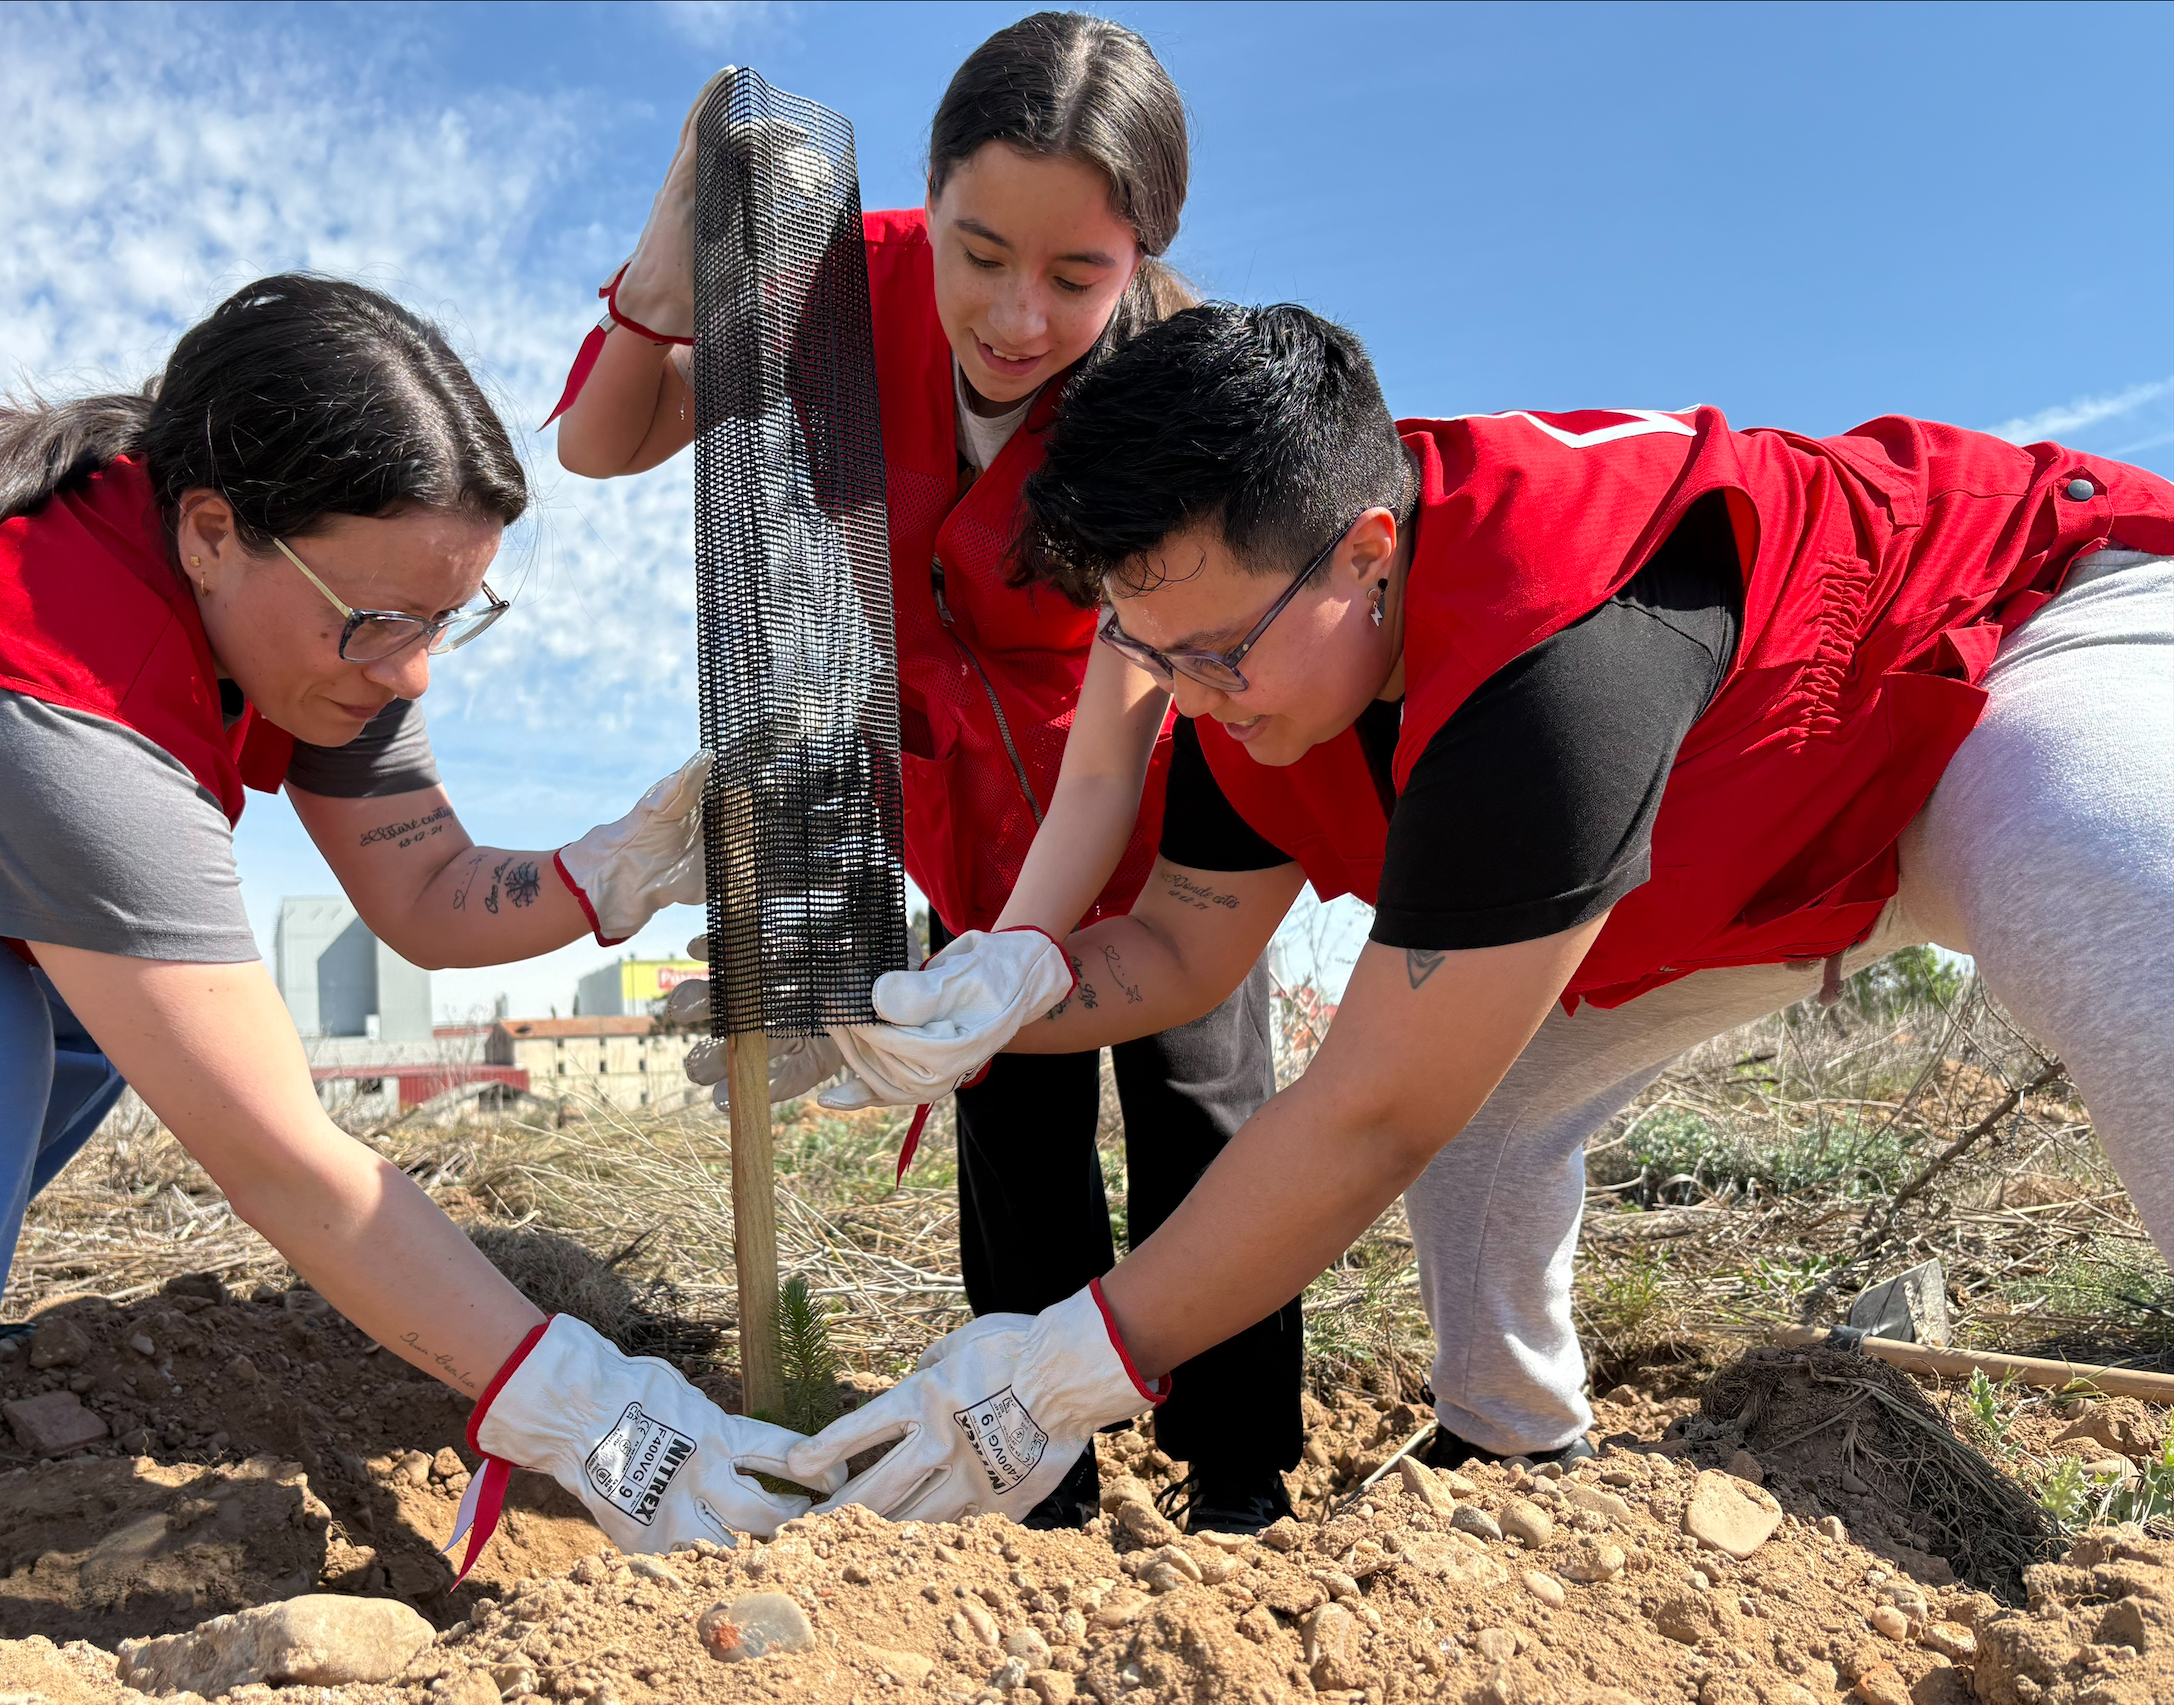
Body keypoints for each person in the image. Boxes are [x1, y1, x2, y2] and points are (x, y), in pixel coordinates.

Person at [791, 300, 2174, 1521]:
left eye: (1216, 655)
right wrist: (968, 1011)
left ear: (1367, 555)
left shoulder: (1545, 661)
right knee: (1483, 1112)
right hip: (1758, 849)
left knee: (2097, 896)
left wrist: (1057, 1372)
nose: (1191, 702)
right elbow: (1174, 949)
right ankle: (1516, 1467)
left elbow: (1365, 1116)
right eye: (1152, 657)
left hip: (1988, 649)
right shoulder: (1254, 679)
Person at [0, 275, 831, 1705]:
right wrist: (586, 1407)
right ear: (212, 532)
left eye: (451, 617)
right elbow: (283, 1166)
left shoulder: (290, 596)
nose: (412, 672)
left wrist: (610, 871)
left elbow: (426, 888)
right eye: (382, 622)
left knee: (76, 1023)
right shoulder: (70, 698)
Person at [553, 16, 1301, 1535]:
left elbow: (1131, 705)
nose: (1017, 317)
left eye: (1077, 277)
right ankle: (1034, 1482)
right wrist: (663, 277)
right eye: (980, 253)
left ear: (1142, 257)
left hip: (1148, 800)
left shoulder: (1170, 387)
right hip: (959, 802)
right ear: (931, 196)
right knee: (1012, 1124)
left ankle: (1240, 1476)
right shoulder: (828, 289)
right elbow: (599, 442)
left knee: (1199, 1107)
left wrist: (1042, 944)